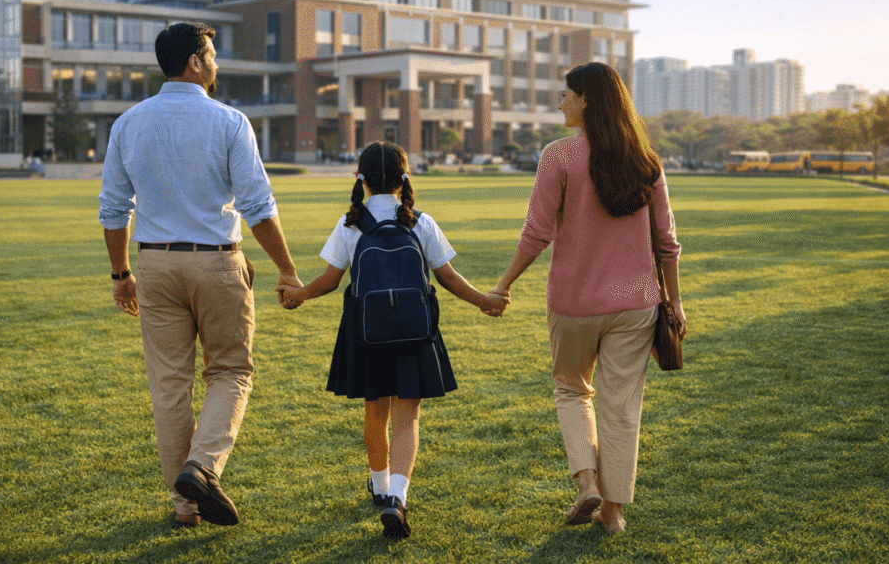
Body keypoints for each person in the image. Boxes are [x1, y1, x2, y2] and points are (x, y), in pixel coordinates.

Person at [98, 22, 303, 530]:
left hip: (155, 264)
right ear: (194, 61)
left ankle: (185, 509)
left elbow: (112, 208)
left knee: (169, 387)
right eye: (211, 54)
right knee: (231, 371)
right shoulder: (230, 121)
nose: (216, 63)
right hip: (216, 261)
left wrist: (122, 273)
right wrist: (286, 269)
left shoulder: (127, 123)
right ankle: (202, 467)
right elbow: (257, 205)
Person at [489, 62, 684, 534]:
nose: (560, 102)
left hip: (574, 303)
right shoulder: (646, 159)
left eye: (565, 94)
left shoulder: (558, 156)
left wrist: (504, 285)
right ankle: (613, 514)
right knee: (621, 408)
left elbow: (536, 233)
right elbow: (667, 242)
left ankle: (587, 484)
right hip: (638, 303)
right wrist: (674, 303)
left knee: (572, 391)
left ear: (587, 99)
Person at [277, 141, 508, 539]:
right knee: (407, 416)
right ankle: (398, 498)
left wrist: (296, 295)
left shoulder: (350, 223)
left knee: (375, 411)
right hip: (414, 331)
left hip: (366, 331)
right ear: (404, 179)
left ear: (359, 179)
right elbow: (447, 277)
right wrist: (484, 301)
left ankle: (381, 487)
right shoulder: (420, 221)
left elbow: (331, 281)